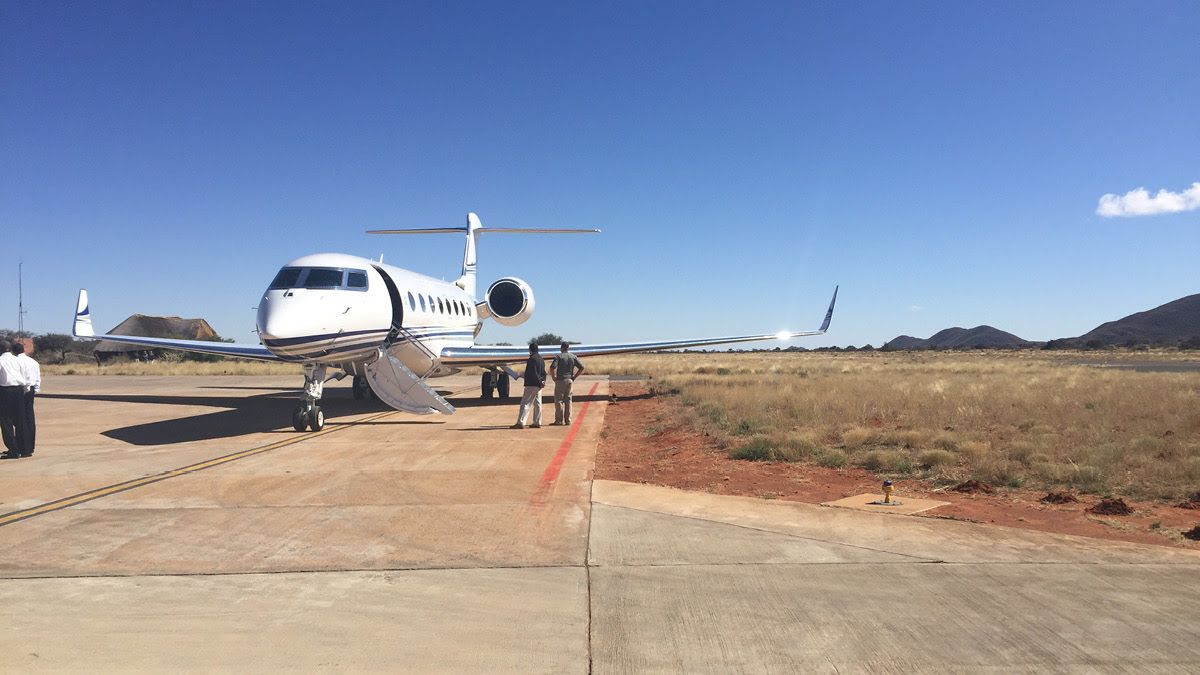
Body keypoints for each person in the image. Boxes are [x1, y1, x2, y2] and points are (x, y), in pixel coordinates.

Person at [0, 339, 26, 459]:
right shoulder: (17, 360)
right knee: (20, 420)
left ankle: (13, 450)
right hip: (19, 390)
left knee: (6, 421)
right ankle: (23, 447)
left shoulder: (0, 360)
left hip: (6, 391)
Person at [549, 341, 585, 426]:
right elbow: (581, 367)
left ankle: (559, 420)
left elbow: (552, 367)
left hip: (560, 380)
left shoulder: (558, 356)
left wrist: (554, 377)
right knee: (568, 400)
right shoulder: (573, 356)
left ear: (561, 348)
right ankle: (568, 420)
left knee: (559, 400)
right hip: (569, 380)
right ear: (568, 348)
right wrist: (574, 377)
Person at [14, 341, 40, 457]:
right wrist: (35, 389)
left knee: (20, 419)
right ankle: (30, 446)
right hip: (32, 390)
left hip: (22, 389)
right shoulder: (33, 362)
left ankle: (23, 446)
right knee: (30, 418)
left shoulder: (16, 361)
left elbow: (23, 378)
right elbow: (37, 378)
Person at [511, 343, 546, 429]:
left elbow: (533, 373)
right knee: (538, 404)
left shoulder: (532, 359)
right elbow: (543, 373)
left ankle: (521, 423)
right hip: (539, 385)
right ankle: (537, 422)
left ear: (530, 349)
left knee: (525, 403)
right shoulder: (541, 359)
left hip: (532, 384)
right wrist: (542, 382)